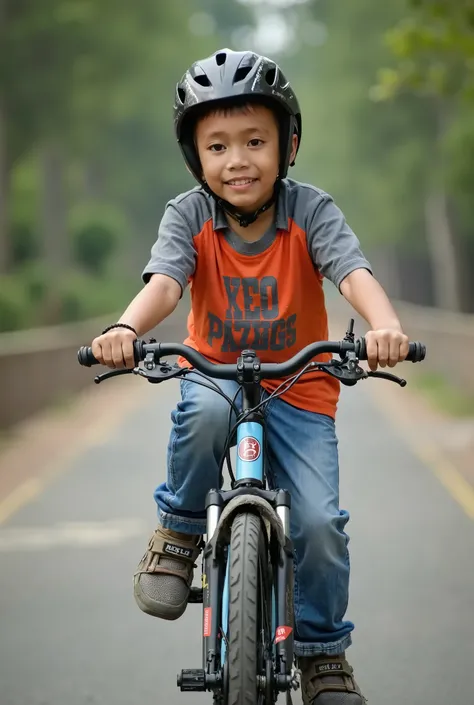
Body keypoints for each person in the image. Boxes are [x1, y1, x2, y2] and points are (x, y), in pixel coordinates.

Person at [91, 48, 409, 705]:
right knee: (204, 414)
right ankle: (179, 533)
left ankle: (322, 655)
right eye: (218, 146)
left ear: (288, 145)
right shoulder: (188, 216)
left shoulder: (312, 211)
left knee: (319, 524)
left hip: (301, 387)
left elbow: (353, 273)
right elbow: (166, 283)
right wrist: (125, 329)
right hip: (214, 376)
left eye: (255, 141)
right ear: (195, 159)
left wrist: (383, 328)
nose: (238, 160)